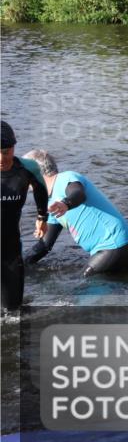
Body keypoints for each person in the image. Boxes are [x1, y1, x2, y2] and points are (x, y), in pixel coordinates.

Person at [22, 150, 128, 276]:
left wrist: (65, 204)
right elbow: (45, 246)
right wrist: (16, 263)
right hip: (118, 246)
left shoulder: (65, 178)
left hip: (113, 245)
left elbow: (78, 194)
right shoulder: (51, 203)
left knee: (84, 283)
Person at [0, 122, 48, 312]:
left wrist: (42, 217)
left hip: (10, 250)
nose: (1, 158)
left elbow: (41, 189)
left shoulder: (27, 169)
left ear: (14, 147)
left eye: (6, 152)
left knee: (13, 310)